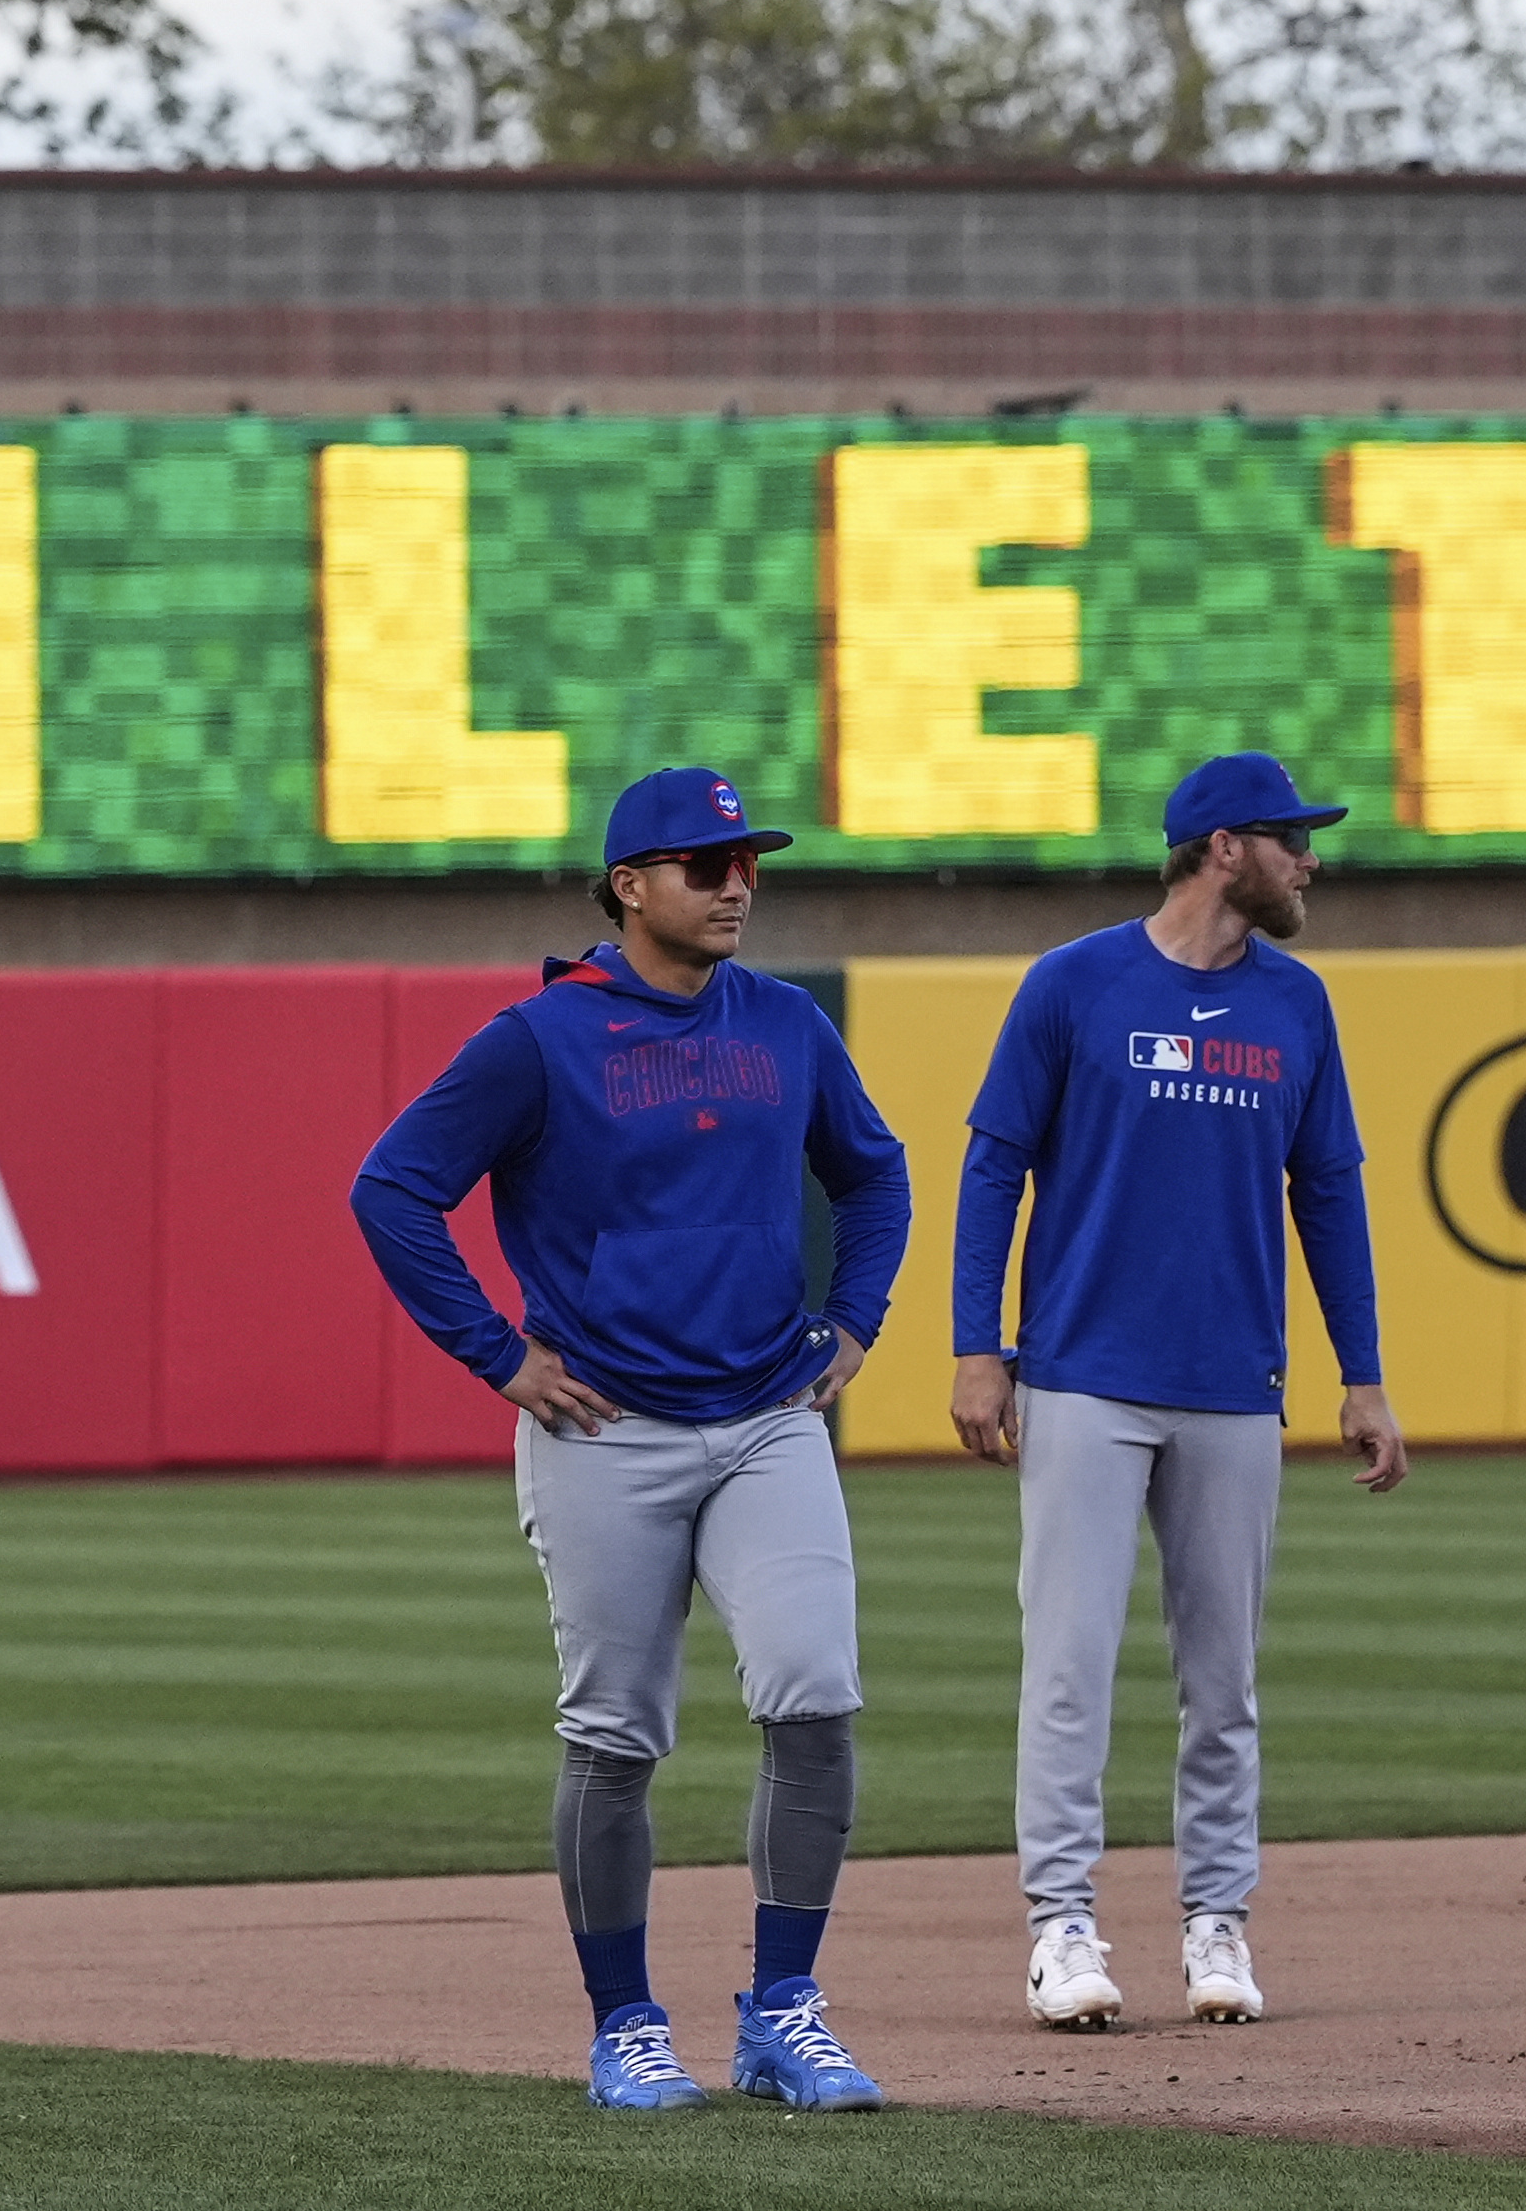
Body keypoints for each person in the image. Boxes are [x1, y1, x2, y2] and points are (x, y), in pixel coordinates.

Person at [352, 767, 913, 2118]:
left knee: (816, 1697)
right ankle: (627, 2025)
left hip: (770, 1417)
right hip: (607, 1430)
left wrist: (854, 1321)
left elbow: (874, 1169)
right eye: (704, 863)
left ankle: (784, 2011)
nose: (736, 884)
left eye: (747, 862)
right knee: (614, 1737)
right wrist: (499, 1356)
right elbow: (392, 1189)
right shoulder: (541, 1038)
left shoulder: (783, 1023)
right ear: (627, 885)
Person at [948, 750, 1401, 2035]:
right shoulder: (1073, 983)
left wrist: (1361, 1379)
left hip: (1232, 1382)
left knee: (1225, 1678)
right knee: (1070, 1665)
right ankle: (1061, 1927)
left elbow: (1332, 1195)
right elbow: (994, 1170)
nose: (1311, 860)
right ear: (1222, 848)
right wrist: (979, 1346)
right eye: (1292, 839)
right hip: (1087, 1374)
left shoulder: (1298, 1005)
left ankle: (1218, 1924)